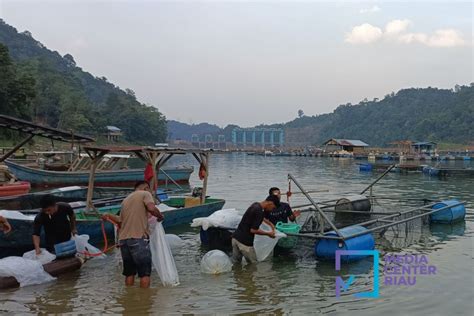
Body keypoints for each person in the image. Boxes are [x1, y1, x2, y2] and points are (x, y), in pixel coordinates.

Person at [102, 181, 164, 289]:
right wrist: (160, 216)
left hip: (124, 241)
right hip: (138, 239)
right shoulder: (145, 194)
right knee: (144, 273)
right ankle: (144, 302)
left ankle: (129, 298)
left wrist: (108, 215)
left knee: (129, 273)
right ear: (146, 188)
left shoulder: (126, 200)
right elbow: (151, 208)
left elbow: (120, 222)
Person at [231, 195, 279, 264]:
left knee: (236, 264)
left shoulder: (255, 205)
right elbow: (253, 230)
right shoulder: (260, 212)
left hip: (235, 238)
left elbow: (258, 217)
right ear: (270, 203)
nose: (272, 210)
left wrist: (270, 224)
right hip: (245, 243)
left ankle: (237, 274)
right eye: (273, 207)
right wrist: (268, 234)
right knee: (253, 265)